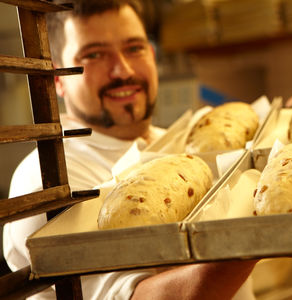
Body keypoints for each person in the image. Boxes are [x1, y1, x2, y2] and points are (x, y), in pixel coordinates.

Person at [3, 0, 257, 299]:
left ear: (151, 55)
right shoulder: (47, 182)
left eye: (134, 48)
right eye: (94, 54)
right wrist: (254, 233)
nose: (121, 70)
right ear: (58, 79)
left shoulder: (182, 146)